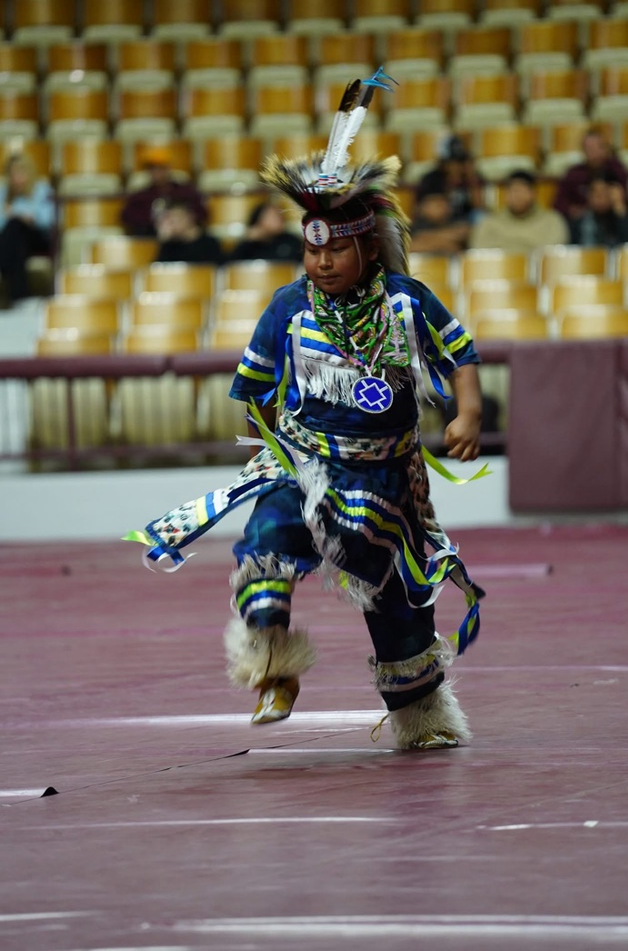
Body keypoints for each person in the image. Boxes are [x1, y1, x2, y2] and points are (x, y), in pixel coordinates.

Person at [125, 71, 486, 752]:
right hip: (309, 464)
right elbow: (256, 389)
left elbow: (462, 354)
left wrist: (466, 415)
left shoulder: (406, 301)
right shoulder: (289, 309)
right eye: (311, 248)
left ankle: (424, 719)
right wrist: (280, 448)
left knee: (400, 606)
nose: (320, 261)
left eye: (335, 248)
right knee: (266, 540)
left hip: (388, 483)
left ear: (368, 247)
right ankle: (272, 669)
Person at [0, 154, 55, 304]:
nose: (16, 179)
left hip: (37, 237)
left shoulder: (42, 189)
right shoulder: (3, 193)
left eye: (20, 173)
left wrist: (21, 215)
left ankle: (3, 264)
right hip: (13, 239)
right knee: (15, 239)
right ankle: (21, 298)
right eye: (12, 175)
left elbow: (48, 220)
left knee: (16, 226)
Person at [470, 169, 568, 253]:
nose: (517, 196)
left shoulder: (552, 222)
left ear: (533, 193)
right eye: (512, 191)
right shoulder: (489, 224)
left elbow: (552, 259)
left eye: (521, 191)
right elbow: (480, 255)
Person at [415, 134, 484, 249]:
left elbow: (479, 208)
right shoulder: (432, 178)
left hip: (460, 224)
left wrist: (471, 177)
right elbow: (429, 211)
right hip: (432, 226)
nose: (455, 165)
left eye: (459, 161)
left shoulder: (471, 179)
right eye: (451, 161)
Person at [122, 146, 208, 238]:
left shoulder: (186, 192)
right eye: (153, 168)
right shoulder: (140, 197)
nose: (157, 172)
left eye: (161, 168)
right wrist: (157, 221)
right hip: (151, 239)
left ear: (168, 168)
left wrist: (181, 221)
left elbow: (202, 214)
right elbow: (127, 217)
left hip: (183, 240)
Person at [554, 128, 628, 222]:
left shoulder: (617, 171)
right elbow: (559, 205)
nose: (594, 153)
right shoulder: (574, 175)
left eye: (598, 147)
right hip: (580, 224)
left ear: (606, 149)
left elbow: (624, 202)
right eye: (589, 149)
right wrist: (574, 210)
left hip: (612, 223)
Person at [569, 174, 628, 248]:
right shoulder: (580, 221)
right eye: (594, 192)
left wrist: (619, 207)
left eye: (603, 192)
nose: (599, 197)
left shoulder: (624, 217)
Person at [226, 200, 303, 263]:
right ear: (259, 219)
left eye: (280, 215)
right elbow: (231, 266)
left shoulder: (291, 241)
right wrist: (247, 241)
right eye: (273, 216)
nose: (280, 218)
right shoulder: (249, 245)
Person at [156, 200, 225, 265]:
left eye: (176, 218)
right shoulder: (169, 246)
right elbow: (160, 272)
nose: (171, 223)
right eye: (169, 219)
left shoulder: (209, 244)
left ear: (190, 217)